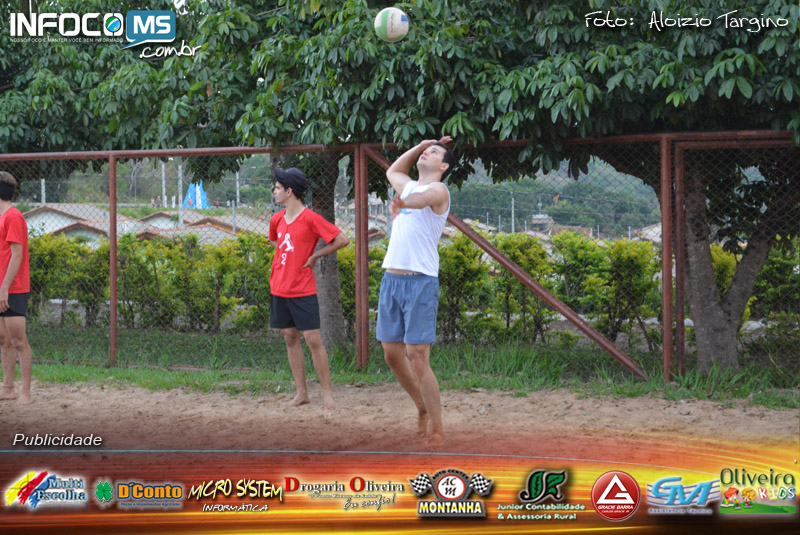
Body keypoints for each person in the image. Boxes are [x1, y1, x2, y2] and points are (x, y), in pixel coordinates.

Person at [377, 137, 456, 444]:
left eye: (433, 152)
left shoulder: (439, 191)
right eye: (426, 151)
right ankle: (421, 406)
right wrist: (422, 144)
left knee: (418, 357)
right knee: (392, 355)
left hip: (421, 280)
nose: (426, 153)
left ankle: (438, 428)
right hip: (391, 279)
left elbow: (422, 199)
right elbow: (393, 171)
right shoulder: (408, 185)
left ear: (444, 166)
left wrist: (402, 203)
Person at [269, 167, 349, 410]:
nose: (274, 191)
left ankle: (327, 395)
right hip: (279, 287)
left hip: (302, 289)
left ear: (289, 191)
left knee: (313, 339)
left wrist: (315, 256)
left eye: (277, 188)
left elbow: (342, 240)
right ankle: (301, 393)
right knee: (289, 336)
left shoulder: (311, 218)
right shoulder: (277, 219)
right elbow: (276, 242)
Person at [0, 171, 33, 405]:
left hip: (14, 289)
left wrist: (4, 288)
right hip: (1, 288)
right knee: (4, 340)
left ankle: (26, 393)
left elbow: (17, 255)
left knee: (19, 342)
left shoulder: (13, 216)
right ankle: (8, 388)